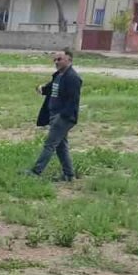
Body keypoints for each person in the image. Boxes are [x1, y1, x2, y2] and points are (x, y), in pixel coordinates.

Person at [28, 49, 82, 182]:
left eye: (59, 59)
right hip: (54, 115)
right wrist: (41, 89)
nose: (56, 62)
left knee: (49, 145)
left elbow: (73, 101)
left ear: (69, 60)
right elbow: (52, 89)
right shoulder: (59, 75)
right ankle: (69, 175)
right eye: (55, 59)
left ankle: (35, 172)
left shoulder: (73, 78)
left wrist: (62, 117)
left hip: (62, 118)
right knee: (61, 147)